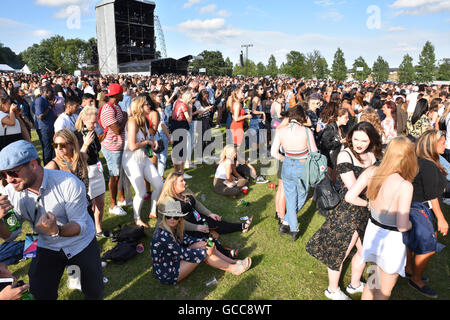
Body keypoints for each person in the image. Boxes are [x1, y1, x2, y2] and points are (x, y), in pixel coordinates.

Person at [0, 140, 104, 300]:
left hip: (80, 242)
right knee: (38, 292)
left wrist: (57, 230)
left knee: (94, 291)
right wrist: (0, 219)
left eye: (13, 173)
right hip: (40, 242)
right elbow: (12, 235)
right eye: (3, 174)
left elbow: (80, 225)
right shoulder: (11, 191)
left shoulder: (68, 183)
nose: (8, 180)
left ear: (33, 164)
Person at [306, 122, 382, 300]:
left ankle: (355, 284)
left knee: (364, 251)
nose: (359, 143)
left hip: (367, 210)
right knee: (340, 251)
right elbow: (354, 188)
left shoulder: (373, 154)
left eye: (364, 140)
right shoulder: (344, 154)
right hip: (349, 210)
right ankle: (332, 290)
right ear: (350, 137)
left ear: (371, 140)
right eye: (355, 139)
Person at [344, 136, 416, 300]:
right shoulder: (405, 185)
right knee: (384, 291)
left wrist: (369, 205)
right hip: (391, 241)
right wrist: (414, 223)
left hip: (373, 233)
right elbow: (403, 225)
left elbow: (350, 197)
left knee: (372, 282)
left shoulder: (371, 172)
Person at [150, 197, 252, 285]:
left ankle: (234, 262)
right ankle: (233, 268)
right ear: (164, 217)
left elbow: (187, 239)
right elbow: (183, 254)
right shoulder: (163, 234)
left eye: (175, 217)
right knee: (204, 253)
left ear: (179, 219)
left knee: (206, 245)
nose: (172, 219)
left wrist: (204, 243)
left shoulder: (174, 227)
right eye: (168, 216)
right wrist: (203, 251)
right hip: (168, 271)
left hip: (175, 259)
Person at [158, 172, 252, 258]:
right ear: (173, 184)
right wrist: (197, 227)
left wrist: (209, 214)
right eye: (182, 181)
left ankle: (242, 226)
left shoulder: (184, 190)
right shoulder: (168, 202)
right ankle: (227, 253)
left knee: (216, 222)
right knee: (205, 238)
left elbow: (196, 203)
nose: (185, 182)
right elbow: (177, 223)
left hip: (196, 218)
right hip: (184, 228)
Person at [405, 130, 448, 299]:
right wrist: (442, 219)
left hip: (411, 207)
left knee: (411, 241)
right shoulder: (428, 165)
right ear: (431, 145)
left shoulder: (421, 160)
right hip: (420, 210)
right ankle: (416, 279)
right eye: (442, 142)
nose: (445, 145)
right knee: (428, 246)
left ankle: (409, 269)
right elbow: (431, 196)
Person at [271, 105, 317, 242]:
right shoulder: (306, 131)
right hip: (302, 165)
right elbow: (314, 152)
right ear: (302, 116)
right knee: (302, 195)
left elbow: (274, 153)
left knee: (291, 197)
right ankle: (294, 228)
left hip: (287, 165)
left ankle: (286, 222)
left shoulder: (281, 131)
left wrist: (284, 159)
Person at [122, 96, 163, 227]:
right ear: (139, 107)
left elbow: (147, 140)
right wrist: (147, 142)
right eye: (146, 104)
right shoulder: (132, 122)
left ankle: (153, 210)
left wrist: (153, 142)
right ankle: (137, 218)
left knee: (159, 184)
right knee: (141, 192)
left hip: (143, 158)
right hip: (132, 161)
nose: (149, 106)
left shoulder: (144, 120)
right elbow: (132, 146)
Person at [74, 106, 106, 237]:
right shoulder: (76, 135)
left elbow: (97, 149)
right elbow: (77, 158)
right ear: (83, 120)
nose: (95, 125)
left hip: (97, 170)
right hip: (86, 172)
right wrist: (86, 144)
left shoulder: (92, 132)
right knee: (90, 204)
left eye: (95, 122)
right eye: (92, 122)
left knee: (101, 202)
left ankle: (98, 228)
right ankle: (90, 228)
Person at [99, 83, 128, 216]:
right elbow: (116, 130)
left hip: (117, 146)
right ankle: (112, 205)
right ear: (116, 95)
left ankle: (121, 199)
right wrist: (125, 117)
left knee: (119, 175)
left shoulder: (116, 106)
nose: (123, 95)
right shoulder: (108, 109)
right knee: (114, 176)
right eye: (122, 93)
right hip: (112, 147)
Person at [171, 89, 193, 179]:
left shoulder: (177, 102)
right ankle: (181, 172)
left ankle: (176, 172)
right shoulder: (183, 105)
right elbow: (189, 119)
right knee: (182, 151)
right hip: (182, 127)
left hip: (175, 126)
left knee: (176, 151)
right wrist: (191, 110)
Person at [34, 86, 56, 165]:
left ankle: (52, 164)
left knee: (52, 147)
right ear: (46, 92)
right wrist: (49, 107)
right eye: (51, 92)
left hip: (49, 127)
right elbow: (40, 116)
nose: (53, 94)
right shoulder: (39, 100)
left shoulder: (46, 100)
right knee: (47, 148)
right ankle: (47, 165)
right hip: (44, 128)